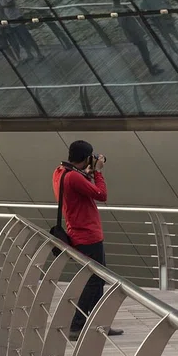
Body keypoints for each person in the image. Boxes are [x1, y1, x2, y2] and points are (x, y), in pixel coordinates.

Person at [52, 141, 124, 341]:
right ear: (86, 158)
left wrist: (87, 172)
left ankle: (98, 324)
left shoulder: (60, 172)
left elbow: (79, 191)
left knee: (96, 281)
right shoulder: (73, 177)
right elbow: (101, 194)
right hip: (88, 236)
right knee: (94, 282)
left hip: (78, 233)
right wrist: (98, 172)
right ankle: (77, 325)